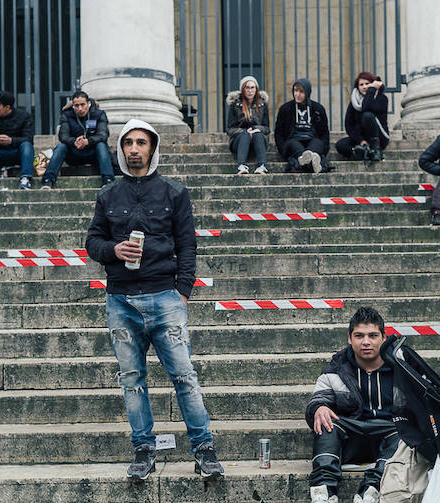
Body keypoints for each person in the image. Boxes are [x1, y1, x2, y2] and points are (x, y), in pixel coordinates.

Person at [85, 118, 224, 482]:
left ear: (152, 148)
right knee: (132, 379)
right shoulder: (107, 195)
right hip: (121, 301)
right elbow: (92, 244)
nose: (134, 149)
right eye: (128, 142)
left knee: (184, 376)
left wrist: (183, 290)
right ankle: (143, 449)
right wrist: (113, 249)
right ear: (121, 149)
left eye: (141, 142)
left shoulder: (174, 193)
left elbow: (187, 244)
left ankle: (204, 448)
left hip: (166, 298)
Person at [304, 306, 399, 503]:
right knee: (326, 422)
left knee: (404, 432)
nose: (366, 342)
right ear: (350, 338)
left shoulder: (401, 368)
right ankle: (324, 497)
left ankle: (369, 496)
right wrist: (319, 408)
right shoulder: (335, 368)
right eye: (359, 336)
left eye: (373, 336)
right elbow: (318, 400)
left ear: (384, 338)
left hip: (388, 435)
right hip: (350, 437)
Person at [40, 91, 113, 189]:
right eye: (76, 106)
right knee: (61, 146)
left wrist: (88, 141)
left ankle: (108, 180)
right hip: (74, 153)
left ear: (89, 103)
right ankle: (47, 180)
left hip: (93, 153)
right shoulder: (67, 115)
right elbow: (63, 136)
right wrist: (74, 141)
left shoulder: (99, 114)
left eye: (83, 105)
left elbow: (103, 134)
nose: (80, 109)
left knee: (101, 145)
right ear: (73, 106)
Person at [274, 78, 330, 174]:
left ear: (307, 92)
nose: (297, 94)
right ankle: (311, 162)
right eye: (296, 91)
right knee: (295, 145)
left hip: (312, 139)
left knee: (317, 143)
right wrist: (282, 147)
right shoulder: (286, 109)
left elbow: (324, 132)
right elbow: (278, 132)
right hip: (293, 139)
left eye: (301, 91)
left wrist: (324, 146)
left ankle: (306, 160)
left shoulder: (318, 108)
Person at [335, 71, 390, 162]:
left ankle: (375, 150)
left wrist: (371, 90)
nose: (364, 87)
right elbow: (349, 124)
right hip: (362, 138)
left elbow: (366, 107)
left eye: (367, 84)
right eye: (361, 84)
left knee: (367, 116)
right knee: (341, 145)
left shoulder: (382, 99)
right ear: (357, 87)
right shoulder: (354, 102)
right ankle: (363, 153)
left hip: (379, 137)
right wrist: (360, 140)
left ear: (373, 84)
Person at [225, 76, 270, 175]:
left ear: (256, 89)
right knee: (245, 134)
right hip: (239, 140)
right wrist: (244, 132)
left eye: (252, 87)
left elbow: (267, 128)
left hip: (258, 139)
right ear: (243, 89)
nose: (250, 91)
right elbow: (230, 129)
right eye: (247, 88)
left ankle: (262, 166)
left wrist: (255, 129)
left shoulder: (262, 105)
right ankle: (241, 166)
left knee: (257, 134)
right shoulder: (235, 105)